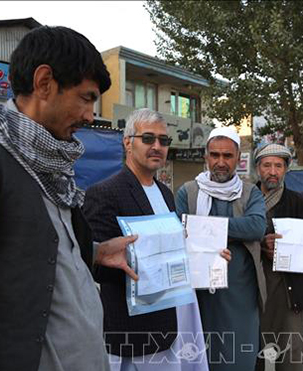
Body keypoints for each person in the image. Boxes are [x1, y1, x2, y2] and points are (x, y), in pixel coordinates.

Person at [0, 26, 137, 371]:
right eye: (86, 97)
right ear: (45, 82)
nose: (90, 116)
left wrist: (93, 252)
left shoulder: (49, 159)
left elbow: (32, 252)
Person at [83, 109, 221, 370]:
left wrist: (207, 257)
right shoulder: (105, 193)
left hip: (169, 326)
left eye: (163, 140)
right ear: (127, 142)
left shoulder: (166, 194)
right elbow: (98, 266)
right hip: (131, 332)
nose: (157, 146)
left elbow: (172, 251)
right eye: (148, 139)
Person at [175, 127, 267, 371]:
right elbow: (179, 231)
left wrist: (205, 230)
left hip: (240, 292)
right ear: (206, 157)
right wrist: (217, 236)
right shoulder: (189, 191)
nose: (221, 162)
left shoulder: (250, 192)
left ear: (238, 158)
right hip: (198, 294)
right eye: (215, 155)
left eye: (227, 156)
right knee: (197, 355)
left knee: (238, 357)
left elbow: (256, 227)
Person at [254, 143, 303, 371]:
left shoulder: (298, 202)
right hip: (255, 288)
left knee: (289, 352)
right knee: (254, 349)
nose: (272, 171)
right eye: (267, 165)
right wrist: (262, 244)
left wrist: (293, 251)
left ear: (285, 170)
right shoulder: (247, 200)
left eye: (278, 165)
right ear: (258, 169)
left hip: (289, 290)